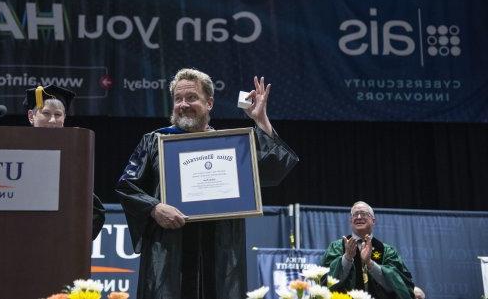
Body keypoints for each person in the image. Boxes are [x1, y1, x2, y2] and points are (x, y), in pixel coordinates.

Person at [116, 68, 299, 299]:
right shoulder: (155, 142)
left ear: (209, 103)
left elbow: (273, 167)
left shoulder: (229, 146)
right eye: (178, 99)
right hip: (170, 250)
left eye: (191, 97)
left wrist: (260, 119)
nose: (183, 104)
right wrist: (154, 207)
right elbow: (126, 185)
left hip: (219, 249)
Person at [24, 84, 105, 240]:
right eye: (46, 113)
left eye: (58, 114)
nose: (53, 120)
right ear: (31, 116)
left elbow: (95, 212)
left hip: (58, 244)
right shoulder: (14, 150)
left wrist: (72, 242)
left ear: (64, 118)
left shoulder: (72, 156)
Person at [321, 201, 415, 299]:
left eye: (364, 214)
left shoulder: (387, 251)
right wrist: (347, 258)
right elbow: (325, 282)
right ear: (350, 221)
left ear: (373, 220)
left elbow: (400, 284)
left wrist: (370, 263)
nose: (359, 217)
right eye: (355, 214)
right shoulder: (337, 247)